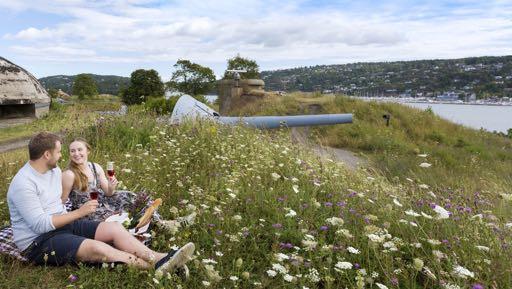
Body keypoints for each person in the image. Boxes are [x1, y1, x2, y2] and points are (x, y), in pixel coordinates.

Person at [7, 132, 194, 273]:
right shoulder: (23, 184)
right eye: (58, 152)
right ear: (47, 155)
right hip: (38, 241)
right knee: (97, 248)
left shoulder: (53, 172)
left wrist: (75, 215)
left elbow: (58, 203)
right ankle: (155, 267)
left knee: (114, 229)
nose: (62, 156)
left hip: (63, 224)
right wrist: (80, 212)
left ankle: (162, 258)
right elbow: (40, 224)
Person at [61, 138, 195, 232]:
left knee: (136, 198)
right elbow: (61, 202)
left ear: (88, 151)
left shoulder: (95, 167)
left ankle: (162, 224)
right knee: (119, 216)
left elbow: (108, 192)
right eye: (73, 151)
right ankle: (150, 228)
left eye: (80, 150)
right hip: (88, 210)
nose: (77, 154)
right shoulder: (69, 174)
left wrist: (112, 185)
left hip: (103, 200)